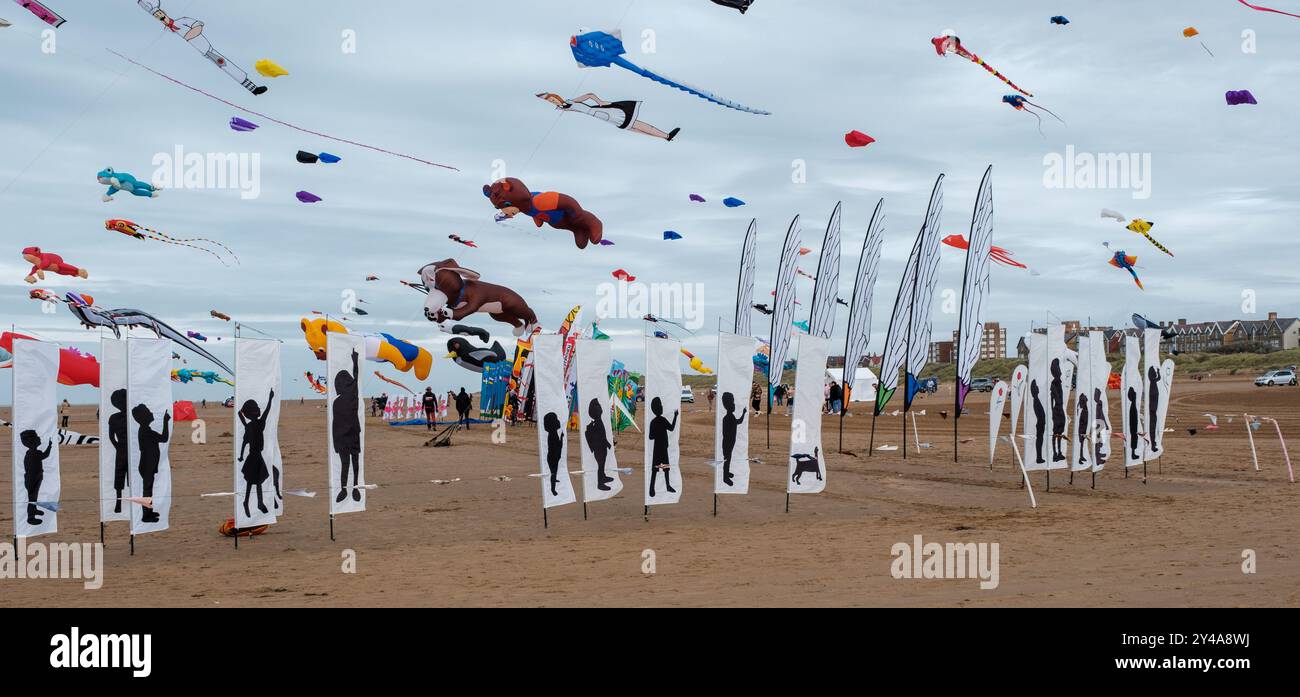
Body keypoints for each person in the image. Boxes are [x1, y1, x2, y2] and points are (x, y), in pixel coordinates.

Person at [537, 92, 680, 141]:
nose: (553, 102)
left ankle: (666, 135)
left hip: (604, 112)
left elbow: (590, 95)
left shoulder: (570, 101)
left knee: (636, 124)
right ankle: (665, 137)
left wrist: (600, 102)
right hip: (603, 117)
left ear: (557, 97)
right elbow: (578, 111)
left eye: (553, 99)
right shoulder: (564, 107)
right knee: (633, 128)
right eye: (550, 101)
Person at [647, 397, 679, 498]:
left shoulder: (653, 422)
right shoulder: (662, 420)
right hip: (662, 448)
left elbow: (651, 437)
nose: (661, 407)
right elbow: (672, 428)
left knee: (657, 469)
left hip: (658, 448)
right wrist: (675, 416)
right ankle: (665, 486)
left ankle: (653, 488)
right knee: (662, 468)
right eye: (660, 406)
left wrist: (656, 433)